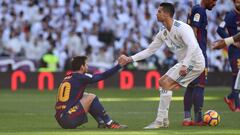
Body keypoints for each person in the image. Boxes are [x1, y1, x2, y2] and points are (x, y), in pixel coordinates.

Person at [119, 2, 205, 129]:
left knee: (166, 84)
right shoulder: (163, 33)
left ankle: (160, 121)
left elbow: (193, 45)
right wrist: (129, 59)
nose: (156, 14)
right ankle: (163, 121)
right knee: (162, 81)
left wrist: (185, 65)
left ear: (166, 14)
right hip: (184, 63)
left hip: (195, 62)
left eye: (159, 11)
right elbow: (149, 50)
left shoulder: (182, 27)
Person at [55, 56, 128, 129]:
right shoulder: (80, 77)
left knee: (85, 95)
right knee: (91, 97)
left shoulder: (67, 77)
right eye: (86, 65)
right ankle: (110, 123)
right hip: (68, 119)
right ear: (82, 67)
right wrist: (119, 66)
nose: (87, 67)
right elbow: (103, 75)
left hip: (61, 119)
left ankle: (101, 122)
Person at [183, 0, 217, 126]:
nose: (215, 4)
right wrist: (195, 52)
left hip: (191, 54)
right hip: (198, 54)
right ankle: (198, 119)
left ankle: (187, 118)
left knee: (191, 85)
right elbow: (193, 30)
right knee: (200, 85)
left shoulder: (195, 9)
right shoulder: (200, 10)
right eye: (214, 1)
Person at [216, 0, 240, 112]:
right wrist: (231, 41)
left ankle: (230, 98)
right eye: (238, 2)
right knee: (237, 76)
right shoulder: (230, 16)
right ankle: (238, 106)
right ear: (233, 3)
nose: (239, 4)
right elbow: (219, 29)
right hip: (235, 51)